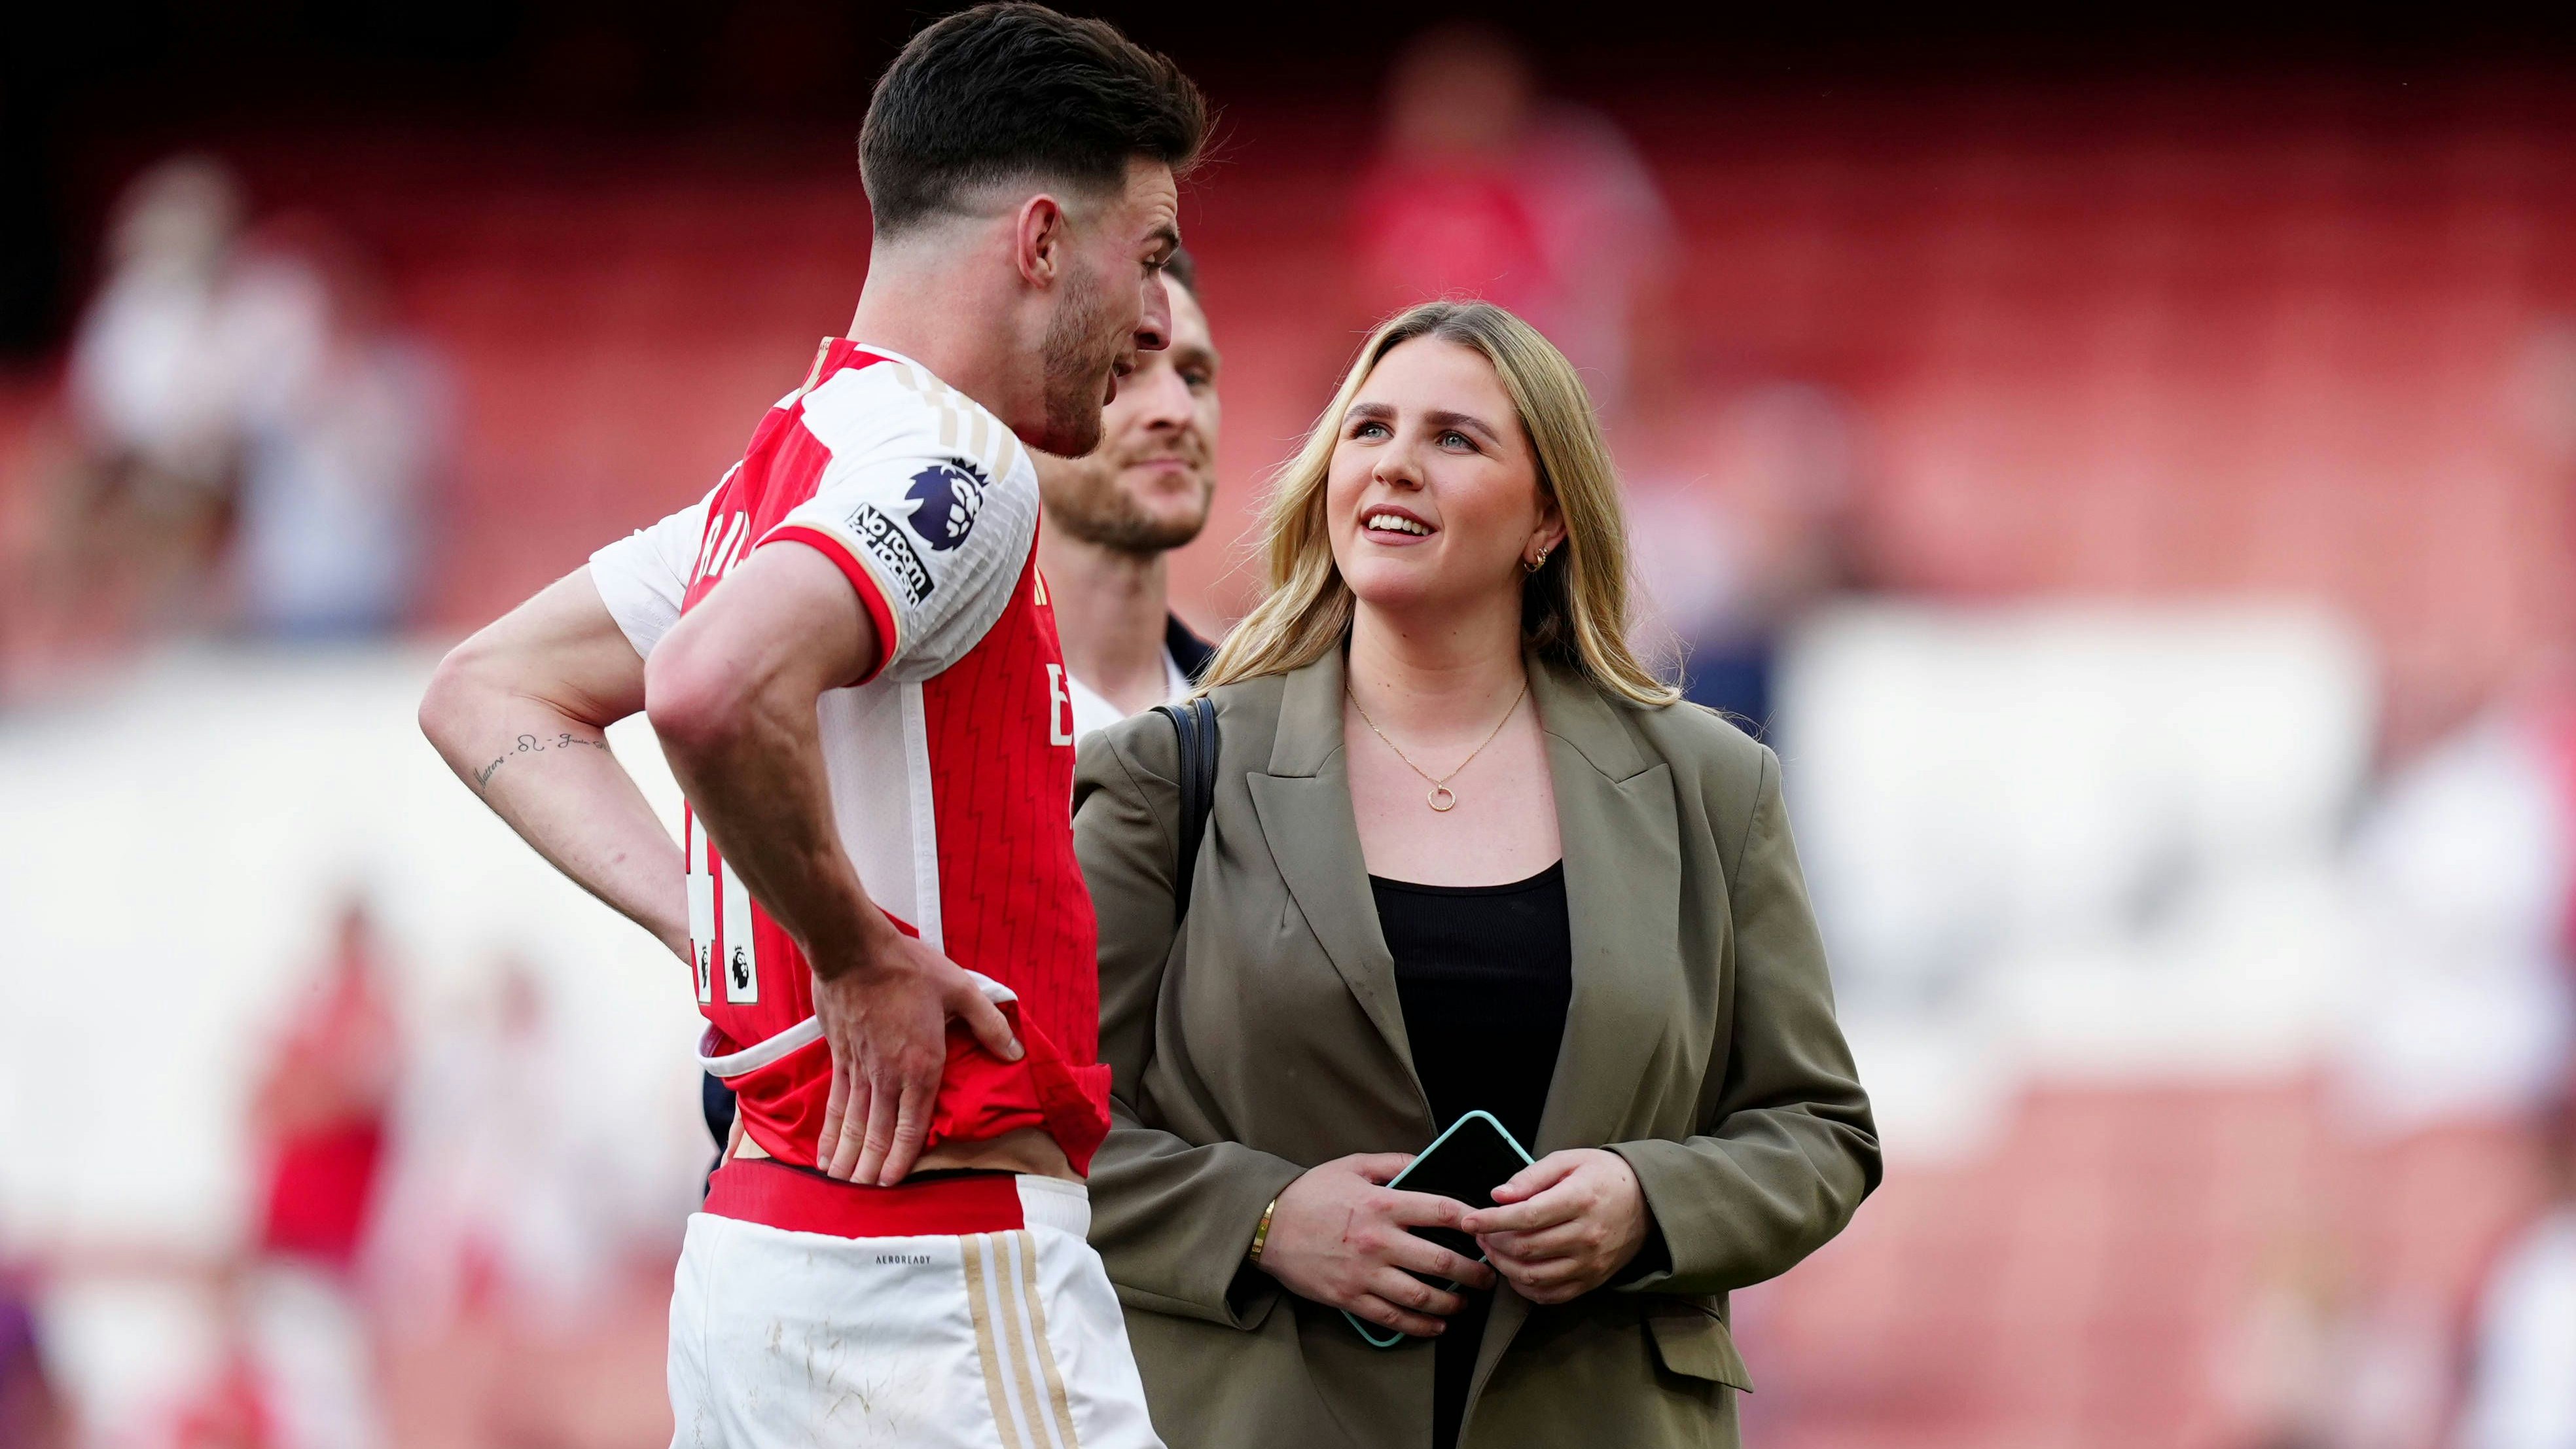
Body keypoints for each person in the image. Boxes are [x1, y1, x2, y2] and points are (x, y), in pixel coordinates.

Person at [416, 7, 1206, 1445]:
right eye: (1148, 255)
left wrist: (714, 929)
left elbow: (484, 690)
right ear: (1041, 242)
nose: (1157, 317)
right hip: (931, 1276)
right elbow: (710, 689)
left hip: (758, 1265)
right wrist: (846, 951)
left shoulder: (774, 473)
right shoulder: (959, 460)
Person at [1073, 300, 1879, 1448]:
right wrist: (1262, 1215)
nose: (1395, 462)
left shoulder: (1712, 784)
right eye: (1368, 429)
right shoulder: (1166, 774)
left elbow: (1819, 1128)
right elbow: (1049, 1128)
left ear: (1548, 515)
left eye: (1455, 437)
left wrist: (1647, 1201)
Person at [1035, 244, 1222, 736]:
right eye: (1124, 369)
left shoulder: (1265, 722)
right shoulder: (939, 714)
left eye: (1194, 377)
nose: (1178, 412)